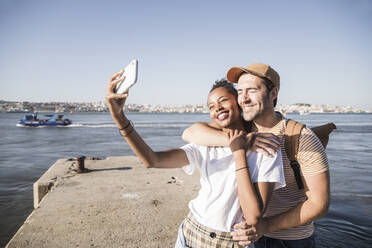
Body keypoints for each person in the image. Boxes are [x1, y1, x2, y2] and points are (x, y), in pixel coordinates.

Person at [106, 70, 286, 248]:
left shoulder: (265, 147)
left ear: (238, 102)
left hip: (230, 243)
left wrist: (239, 152)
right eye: (211, 106)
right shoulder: (205, 144)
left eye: (223, 100)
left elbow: (253, 216)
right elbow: (153, 160)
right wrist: (119, 117)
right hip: (190, 232)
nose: (218, 108)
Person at [182, 63, 330, 248]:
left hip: (289, 239)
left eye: (251, 90)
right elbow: (191, 133)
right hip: (247, 236)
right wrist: (243, 141)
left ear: (273, 93)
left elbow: (319, 204)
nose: (243, 98)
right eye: (240, 91)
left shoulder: (301, 137)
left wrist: (265, 226)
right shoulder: (242, 128)